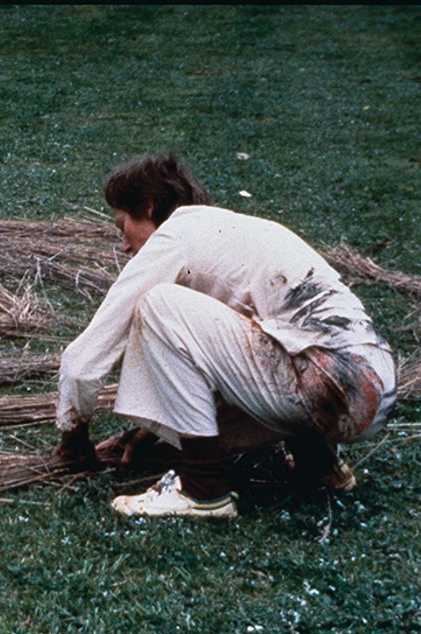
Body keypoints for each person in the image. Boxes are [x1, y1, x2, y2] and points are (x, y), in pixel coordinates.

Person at [53, 154, 397, 518]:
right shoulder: (242, 230)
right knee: (278, 326)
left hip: (324, 382)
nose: (124, 246)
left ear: (150, 207)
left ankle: (203, 490)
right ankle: (320, 464)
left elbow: (85, 359)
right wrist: (156, 427)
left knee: (157, 306)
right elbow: (236, 351)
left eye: (122, 225)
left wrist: (73, 438)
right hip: (372, 388)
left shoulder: (174, 235)